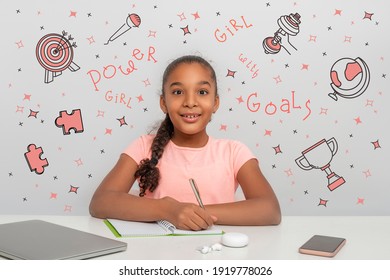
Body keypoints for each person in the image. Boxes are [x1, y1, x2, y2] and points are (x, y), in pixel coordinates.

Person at [89, 55, 281, 230]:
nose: (190, 101)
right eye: (178, 91)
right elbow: (100, 202)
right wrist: (168, 209)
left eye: (202, 92)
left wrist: (193, 212)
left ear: (215, 102)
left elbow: (270, 209)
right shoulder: (142, 147)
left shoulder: (234, 152)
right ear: (163, 102)